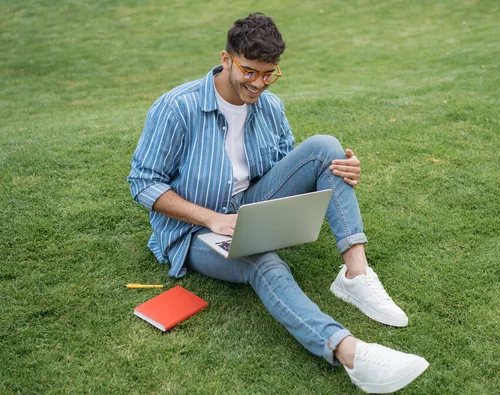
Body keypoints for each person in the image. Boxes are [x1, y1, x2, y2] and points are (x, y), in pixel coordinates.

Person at [128, 12, 428, 393]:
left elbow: (285, 167)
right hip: (193, 231)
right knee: (261, 261)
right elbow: (143, 183)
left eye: (269, 74)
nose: (258, 84)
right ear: (226, 59)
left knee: (326, 148)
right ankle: (350, 352)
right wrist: (214, 219)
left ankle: (355, 275)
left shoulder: (270, 107)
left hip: (249, 209)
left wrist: (337, 173)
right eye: (250, 72)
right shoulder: (176, 108)